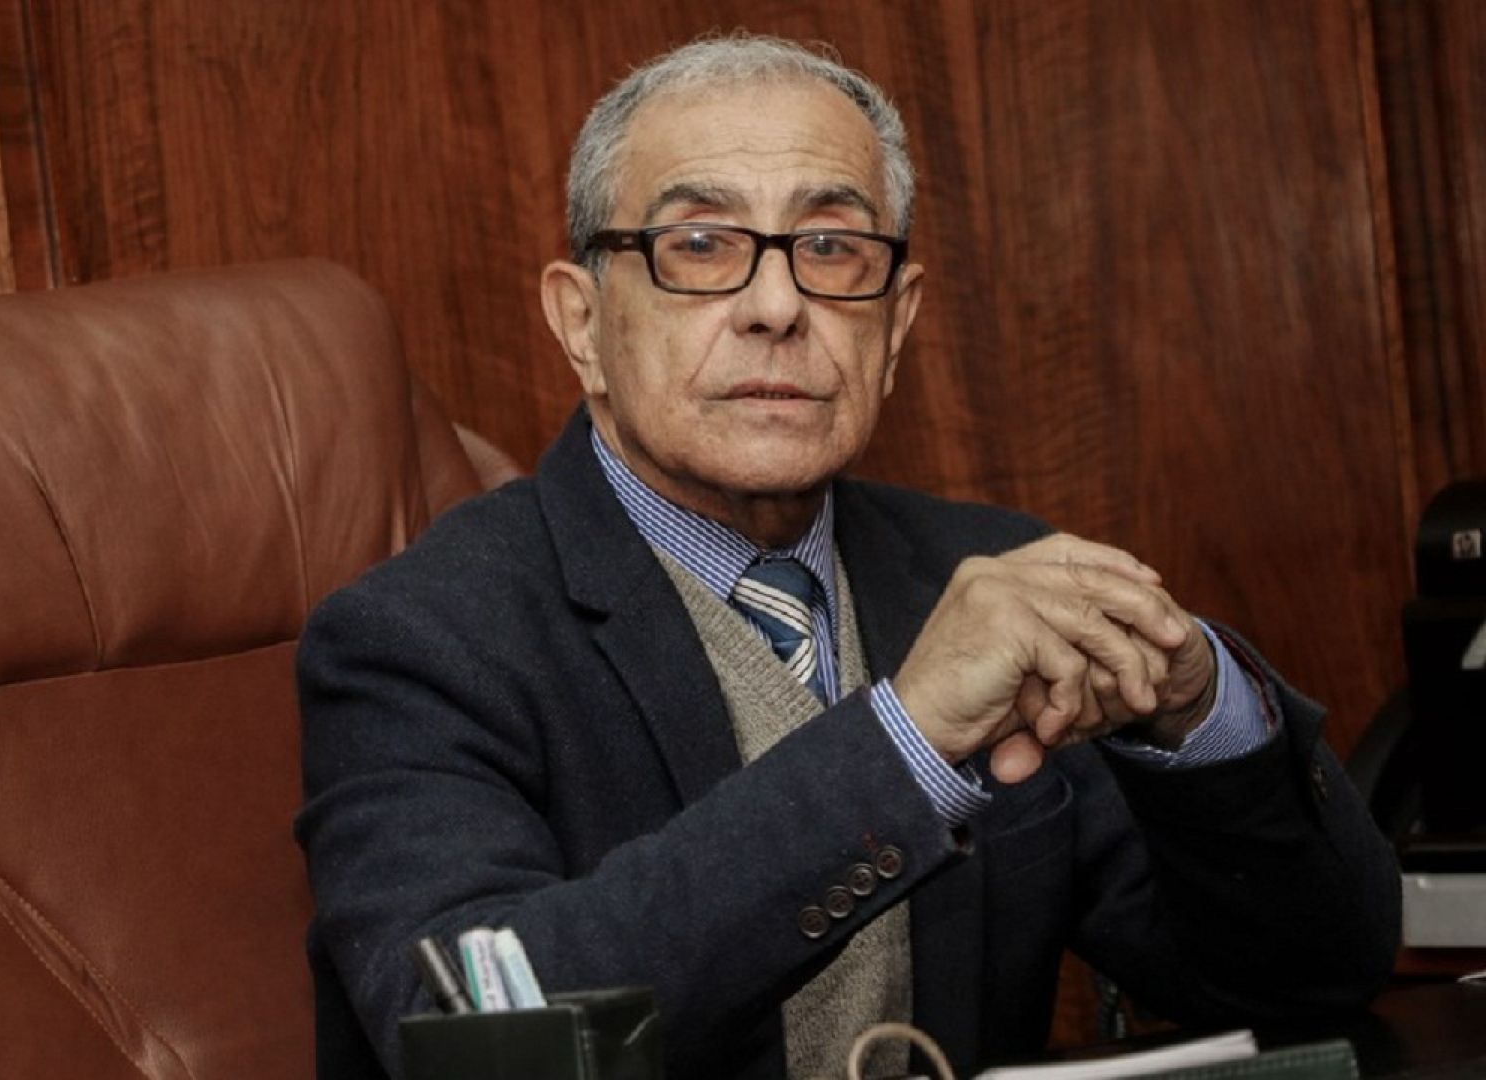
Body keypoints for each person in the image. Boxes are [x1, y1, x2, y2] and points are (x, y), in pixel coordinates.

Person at [294, 34, 1399, 1080]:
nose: (778, 306)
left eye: (831, 248)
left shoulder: (993, 579)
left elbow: (1303, 985)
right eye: (700, 246)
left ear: (897, 323)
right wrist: (907, 741)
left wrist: (1200, 717)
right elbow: (474, 1040)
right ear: (581, 322)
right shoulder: (420, 638)